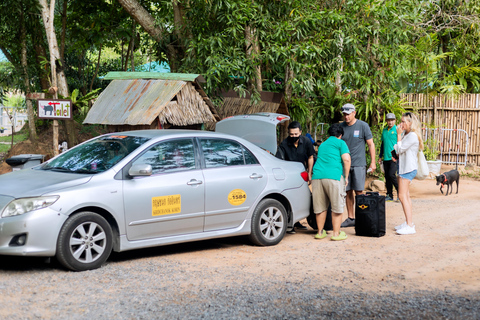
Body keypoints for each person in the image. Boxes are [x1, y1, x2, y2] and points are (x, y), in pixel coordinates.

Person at [311, 123, 351, 241]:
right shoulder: (341, 143)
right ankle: (336, 234)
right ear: (340, 135)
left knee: (320, 206)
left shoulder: (322, 145)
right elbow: (346, 159)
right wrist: (346, 176)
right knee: (337, 206)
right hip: (333, 176)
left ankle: (319, 232)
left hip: (317, 176)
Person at [339, 104, 376, 227]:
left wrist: (373, 162)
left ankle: (361, 217)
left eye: (348, 114)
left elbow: (371, 144)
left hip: (359, 164)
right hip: (345, 165)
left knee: (359, 191)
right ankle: (351, 218)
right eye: (344, 114)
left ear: (354, 113)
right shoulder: (341, 127)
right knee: (348, 191)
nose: (346, 116)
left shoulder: (363, 126)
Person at [276, 121, 315, 233]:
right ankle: (290, 224)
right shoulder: (284, 144)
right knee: (290, 198)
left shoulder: (307, 141)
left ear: (300, 132)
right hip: (289, 175)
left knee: (301, 198)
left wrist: (309, 172)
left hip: (302, 174)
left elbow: (311, 157)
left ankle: (297, 221)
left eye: (296, 134)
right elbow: (280, 160)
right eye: (291, 134)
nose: (293, 136)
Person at [394, 112, 424, 235]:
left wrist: (398, 135)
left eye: (403, 122)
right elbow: (397, 150)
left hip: (407, 169)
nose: (401, 124)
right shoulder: (408, 135)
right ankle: (408, 222)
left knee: (402, 196)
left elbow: (399, 148)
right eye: (401, 121)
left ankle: (410, 225)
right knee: (406, 196)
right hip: (404, 168)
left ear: (410, 123)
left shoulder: (411, 136)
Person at [379, 113, 399, 202]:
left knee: (392, 175)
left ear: (395, 120)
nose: (390, 122)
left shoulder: (397, 130)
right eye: (388, 120)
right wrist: (380, 156)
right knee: (387, 176)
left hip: (394, 158)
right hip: (386, 157)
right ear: (386, 121)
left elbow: (400, 142)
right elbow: (382, 144)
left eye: (392, 120)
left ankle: (400, 193)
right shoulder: (384, 130)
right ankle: (389, 194)